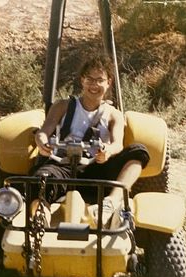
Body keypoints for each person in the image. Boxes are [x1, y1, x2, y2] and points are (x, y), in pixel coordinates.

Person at [32, 55, 149, 227]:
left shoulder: (112, 114)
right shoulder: (63, 106)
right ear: (82, 81)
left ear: (108, 82)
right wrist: (42, 142)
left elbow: (118, 144)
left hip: (96, 166)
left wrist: (107, 152)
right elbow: (44, 131)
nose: (94, 85)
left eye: (99, 80)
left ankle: (111, 202)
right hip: (62, 165)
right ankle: (41, 220)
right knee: (39, 180)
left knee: (139, 152)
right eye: (89, 79)